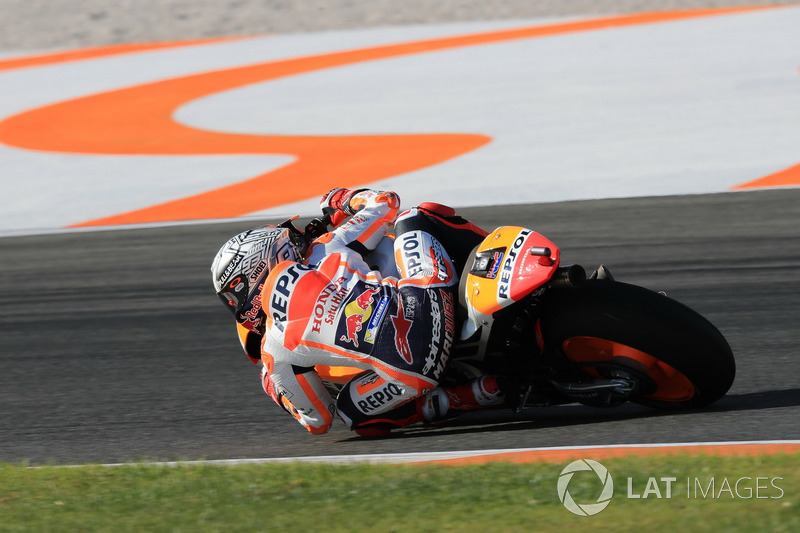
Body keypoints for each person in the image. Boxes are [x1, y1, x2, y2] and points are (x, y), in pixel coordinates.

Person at [211, 188, 505, 436]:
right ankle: (494, 255)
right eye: (288, 237)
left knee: (350, 414)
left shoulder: (273, 348)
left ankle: (466, 396)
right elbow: (386, 202)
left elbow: (318, 421)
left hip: (411, 374)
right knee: (416, 217)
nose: (296, 237)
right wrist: (342, 198)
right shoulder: (326, 246)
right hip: (431, 307)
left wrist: (275, 387)